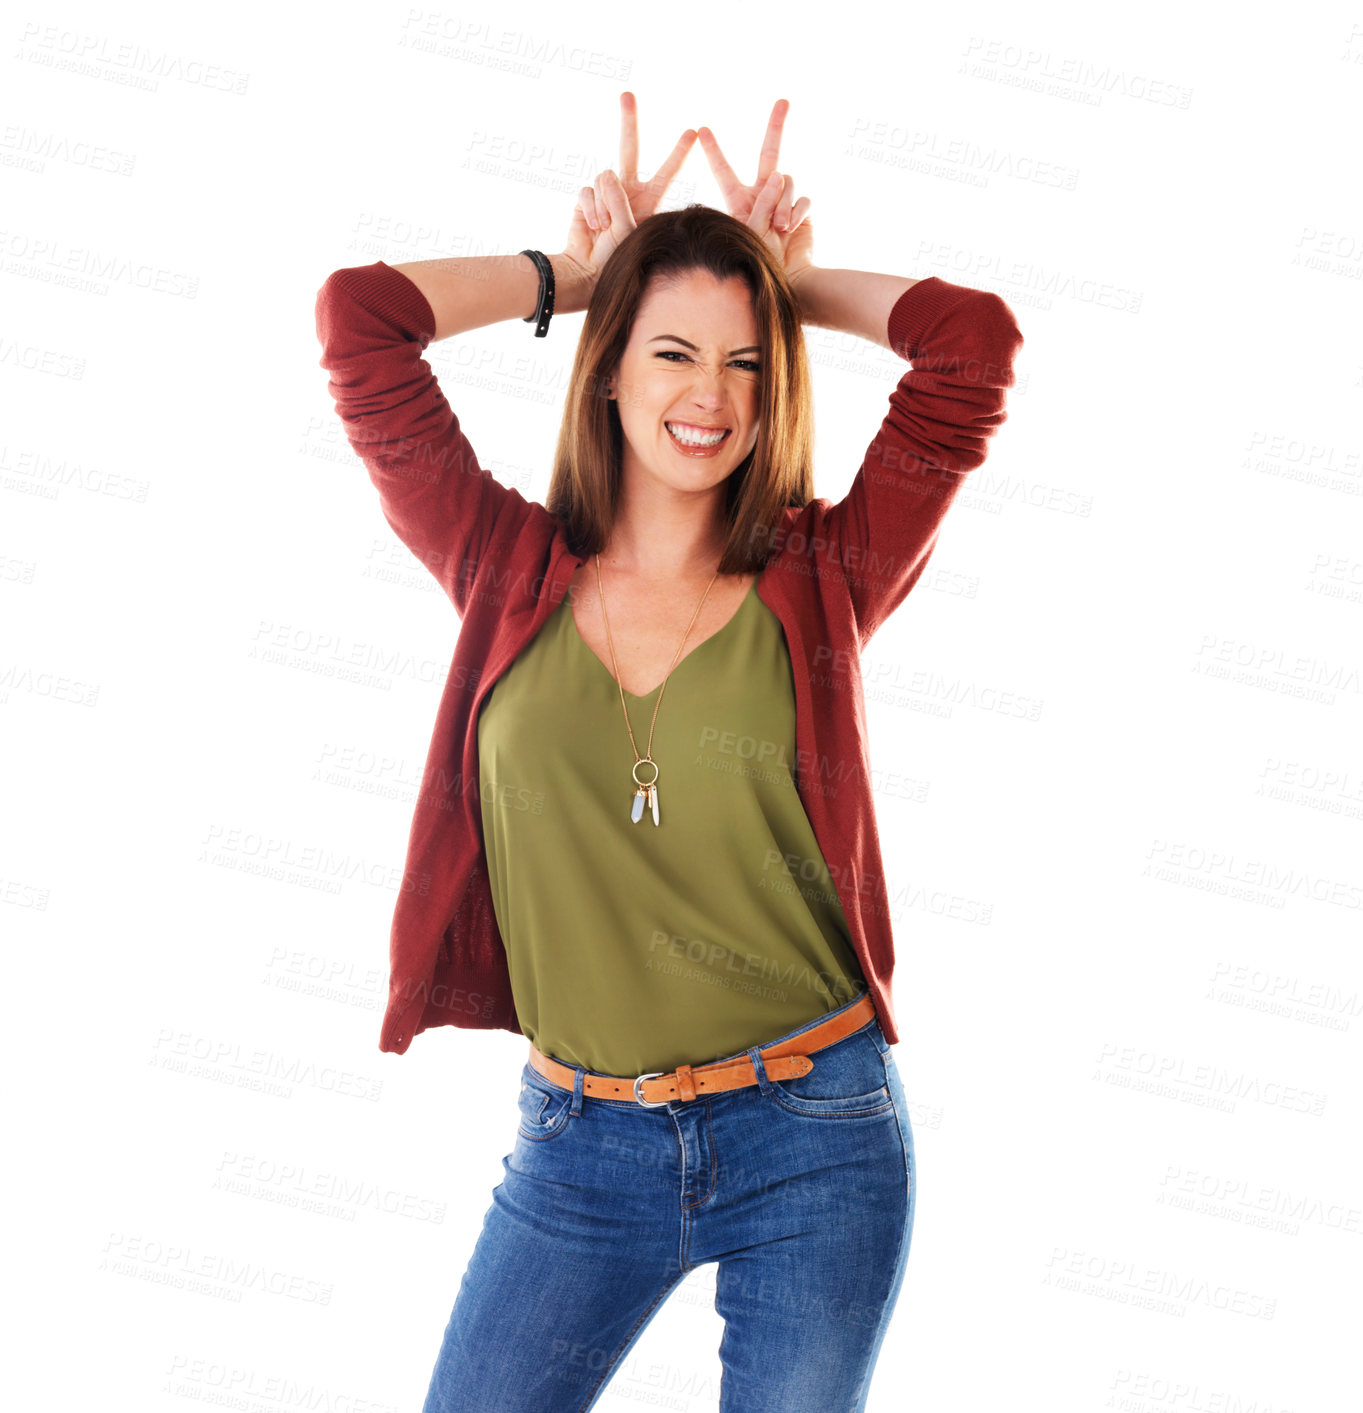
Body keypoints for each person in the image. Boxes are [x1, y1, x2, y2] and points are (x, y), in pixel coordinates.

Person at [315, 92, 1022, 1412]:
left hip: (813, 1129)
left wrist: (790, 282)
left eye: (746, 362)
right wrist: (576, 273)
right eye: (671, 351)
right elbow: (361, 321)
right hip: (576, 1146)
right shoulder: (501, 564)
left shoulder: (824, 580)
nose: (708, 394)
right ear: (609, 367)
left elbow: (969, 346)